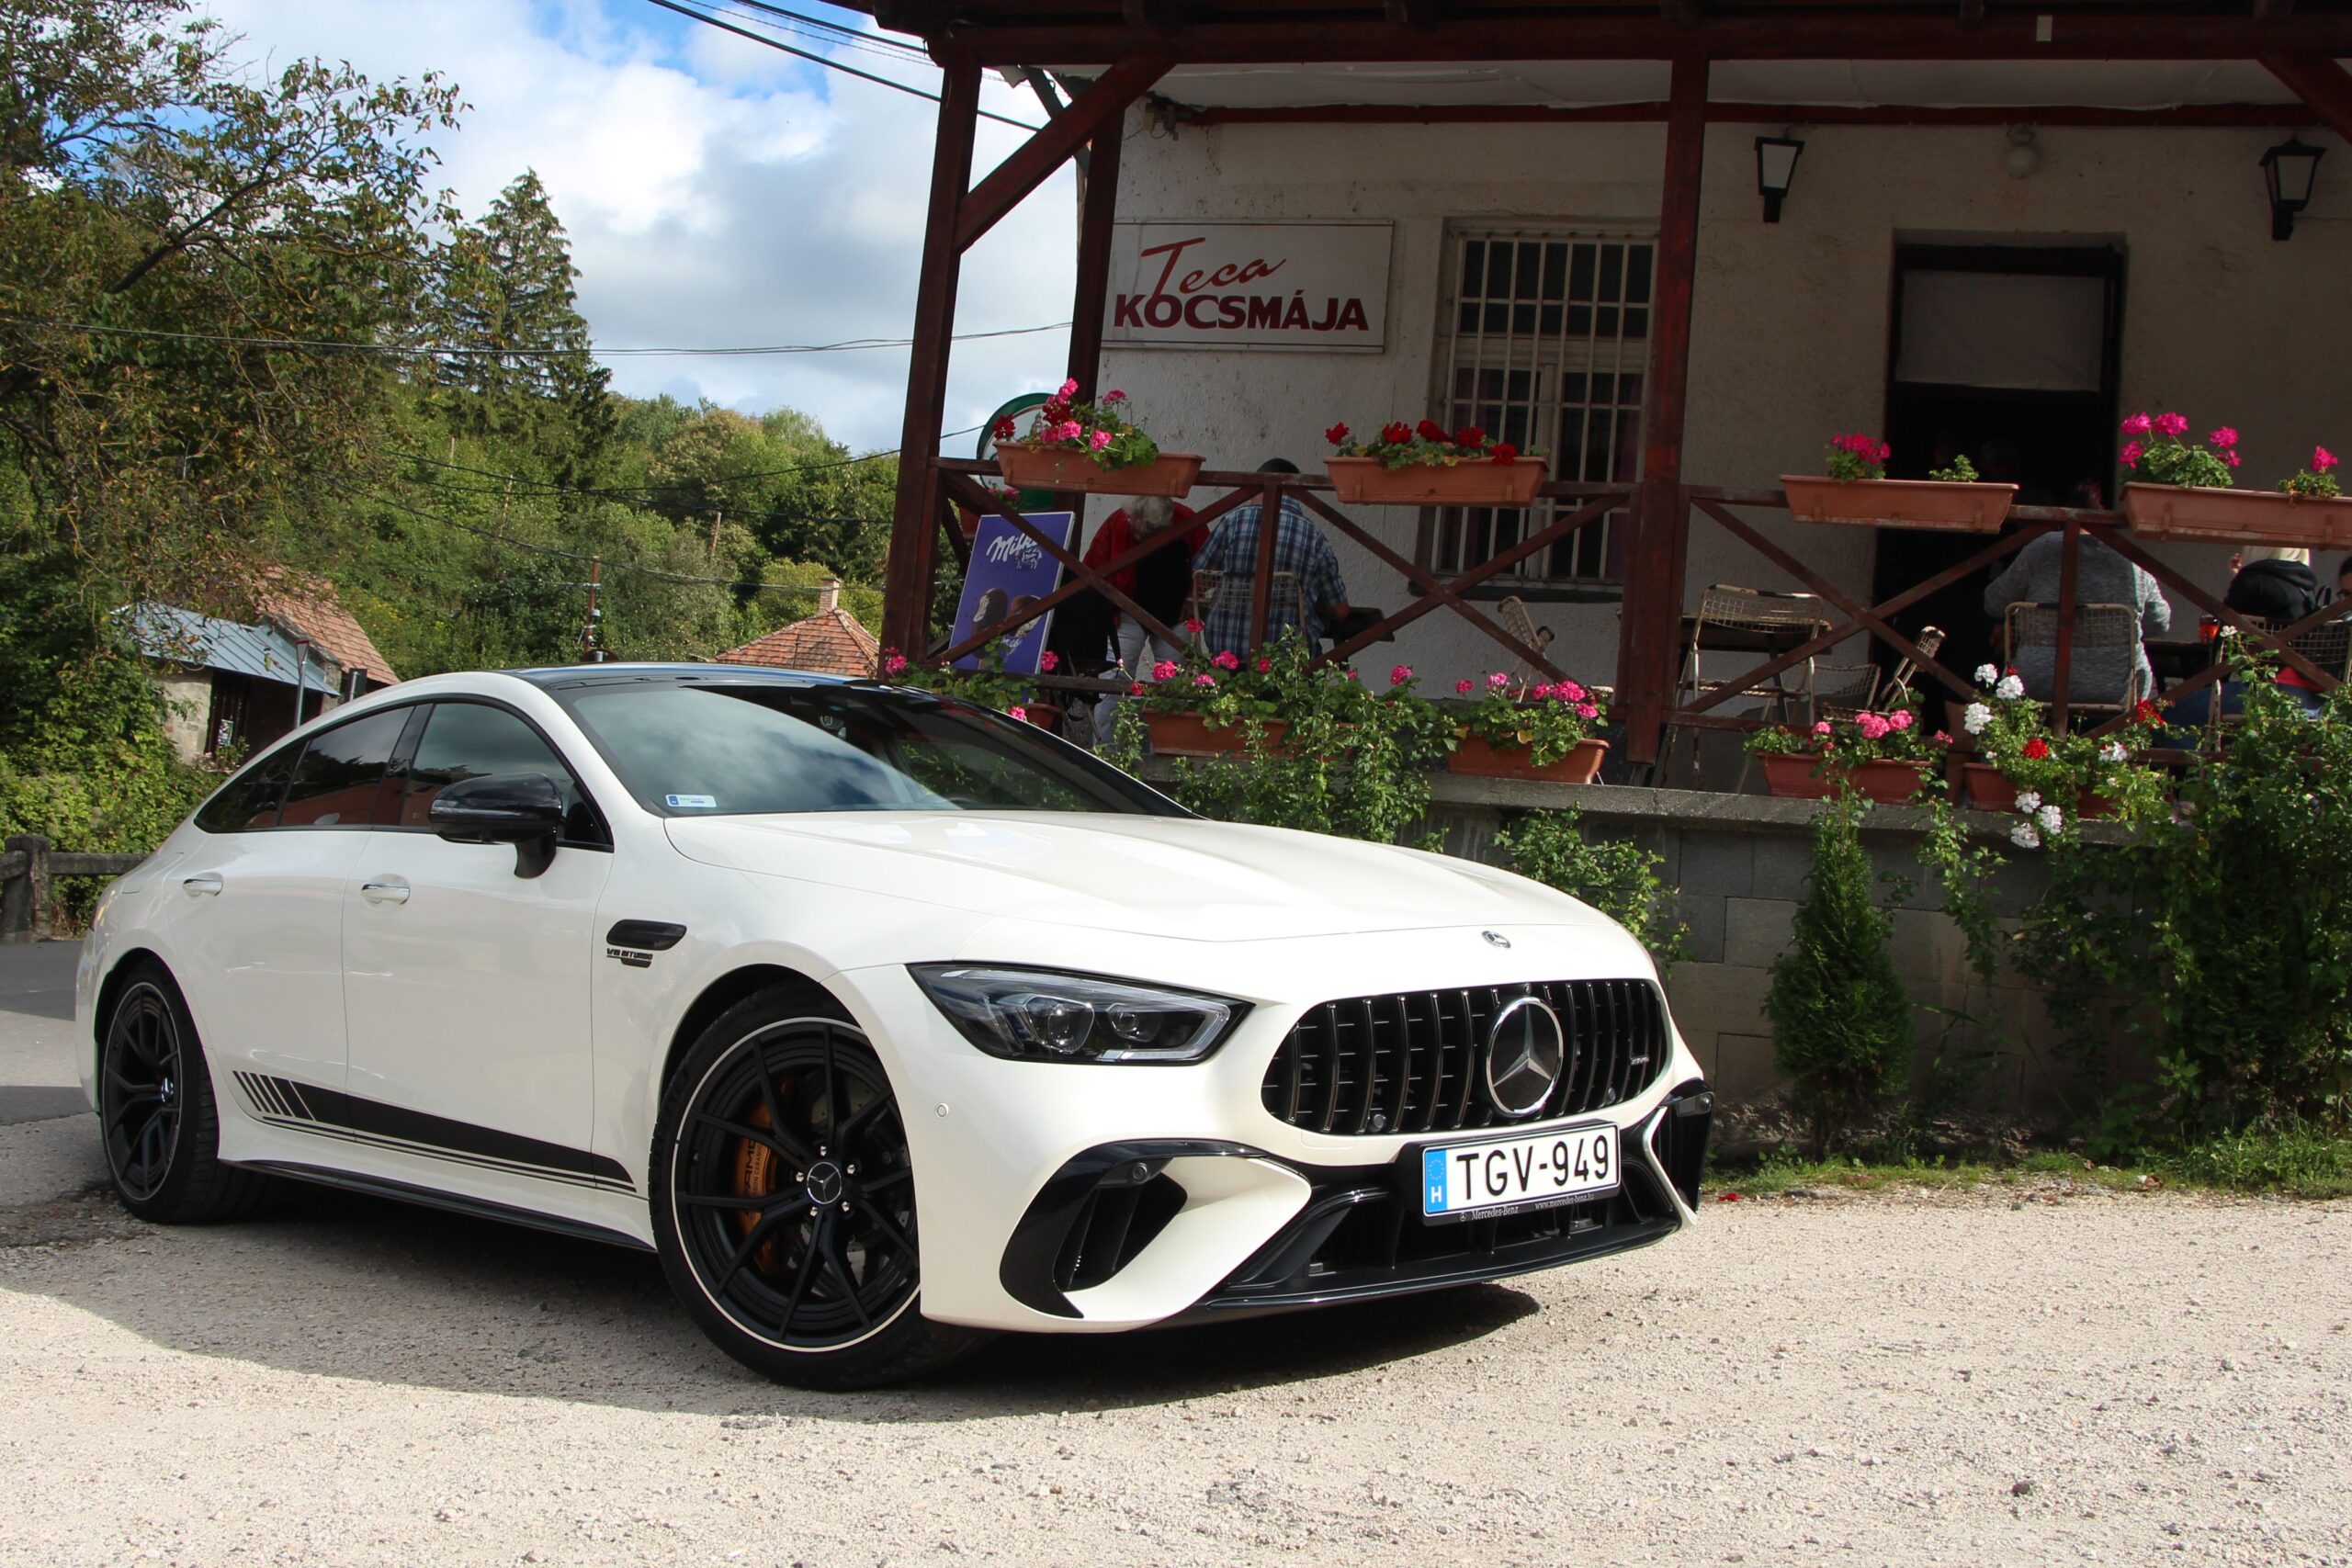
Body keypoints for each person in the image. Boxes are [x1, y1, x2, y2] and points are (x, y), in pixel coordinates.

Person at [1981, 530, 2169, 705]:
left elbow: (1995, 602)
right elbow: (2159, 623)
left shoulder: (2041, 548)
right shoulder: (2130, 558)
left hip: (2038, 680)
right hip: (2118, 685)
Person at [1190, 458, 1351, 657]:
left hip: (1225, 654)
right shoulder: (1313, 536)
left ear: (1257, 486)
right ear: (1298, 493)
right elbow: (1340, 610)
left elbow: (1197, 582)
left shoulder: (1233, 521)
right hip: (1287, 660)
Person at [1085, 493, 1205, 745]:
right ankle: (1105, 751)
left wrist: (1193, 598)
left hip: (1175, 614)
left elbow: (1208, 564)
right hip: (1127, 612)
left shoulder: (1187, 520)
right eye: (1134, 526)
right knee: (1114, 680)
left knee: (1174, 686)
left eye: (1146, 531)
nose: (1138, 535)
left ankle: (1168, 751)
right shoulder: (1118, 522)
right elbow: (1092, 569)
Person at [2170, 547, 2328, 724]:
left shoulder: (2251, 580)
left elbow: (2223, 647)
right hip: (2310, 697)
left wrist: (2200, 686)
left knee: (2165, 717)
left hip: (2266, 692)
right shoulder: (2303, 585)